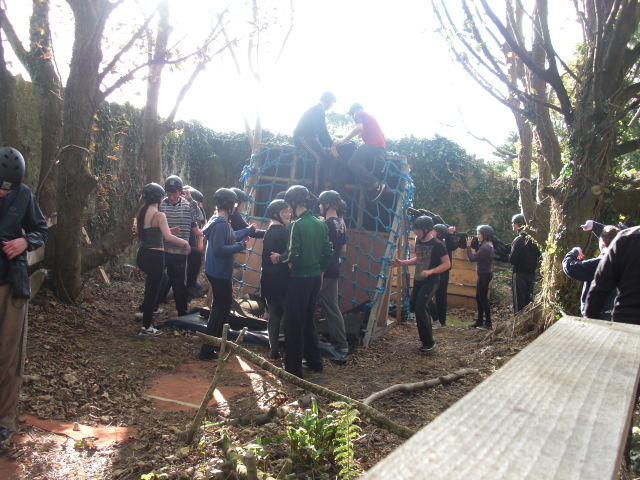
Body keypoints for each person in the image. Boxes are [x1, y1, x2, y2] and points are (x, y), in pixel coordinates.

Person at [0, 147, 48, 447]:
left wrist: (24, 241)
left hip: (12, 283)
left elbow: (40, 229)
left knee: (9, 352)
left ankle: (4, 419)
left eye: (8, 189)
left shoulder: (24, 194)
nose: (4, 193)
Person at [269, 185, 333, 378]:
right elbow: (328, 252)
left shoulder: (297, 225)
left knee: (293, 324)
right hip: (314, 279)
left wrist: (279, 258)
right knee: (308, 321)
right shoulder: (321, 224)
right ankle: (315, 362)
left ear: (293, 202)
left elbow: (293, 254)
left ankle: (293, 369)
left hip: (299, 279)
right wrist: (320, 272)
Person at [199, 188, 249, 360]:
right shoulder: (221, 224)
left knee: (223, 307)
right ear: (230, 205)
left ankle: (216, 344)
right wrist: (240, 246)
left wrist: (247, 232)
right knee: (219, 310)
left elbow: (231, 236)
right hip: (219, 272)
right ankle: (207, 349)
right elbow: (220, 249)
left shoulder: (219, 221)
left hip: (218, 271)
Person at [136, 183, 191, 337]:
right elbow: (168, 237)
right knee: (151, 293)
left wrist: (168, 229)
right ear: (159, 198)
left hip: (142, 255)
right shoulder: (159, 215)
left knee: (164, 278)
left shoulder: (143, 212)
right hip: (155, 258)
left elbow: (153, 230)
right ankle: (146, 327)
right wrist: (185, 243)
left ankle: (150, 313)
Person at [389, 216, 450, 351]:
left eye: (417, 229)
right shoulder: (418, 240)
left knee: (421, 307)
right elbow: (419, 258)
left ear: (426, 229)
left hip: (431, 281)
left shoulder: (438, 245)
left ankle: (429, 343)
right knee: (417, 307)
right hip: (418, 280)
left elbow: (447, 264)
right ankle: (426, 334)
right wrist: (402, 263)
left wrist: (431, 271)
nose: (415, 232)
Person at [159, 175, 203, 317]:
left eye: (174, 193)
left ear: (180, 192)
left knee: (179, 283)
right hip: (163, 249)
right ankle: (151, 307)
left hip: (180, 252)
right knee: (159, 280)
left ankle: (182, 313)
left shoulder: (187, 205)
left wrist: (190, 200)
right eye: (169, 193)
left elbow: (200, 217)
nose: (171, 197)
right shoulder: (162, 205)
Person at [317, 190, 349, 362]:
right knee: (332, 307)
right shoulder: (341, 223)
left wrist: (320, 276)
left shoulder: (327, 224)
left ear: (327, 204)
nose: (319, 206)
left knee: (316, 305)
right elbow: (343, 249)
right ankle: (341, 344)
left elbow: (324, 252)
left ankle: (339, 344)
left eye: (321, 203)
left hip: (324, 272)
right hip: (335, 268)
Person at [562, 224, 620, 319]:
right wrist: (595, 226)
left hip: (598, 316)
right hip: (616, 313)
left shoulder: (601, 262)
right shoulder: (624, 259)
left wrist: (573, 252)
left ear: (603, 244)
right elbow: (615, 235)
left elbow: (570, 267)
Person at [585, 225, 640, 324]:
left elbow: (600, 287)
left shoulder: (625, 238)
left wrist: (589, 324)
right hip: (626, 319)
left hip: (626, 319)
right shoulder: (624, 238)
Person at [332, 103, 387, 201]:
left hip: (373, 146)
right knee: (359, 162)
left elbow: (358, 128)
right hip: (378, 147)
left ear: (352, 113)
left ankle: (375, 184)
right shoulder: (367, 118)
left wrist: (342, 141)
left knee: (352, 163)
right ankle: (368, 184)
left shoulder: (358, 113)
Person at [260, 199, 292, 360]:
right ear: (276, 214)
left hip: (268, 279)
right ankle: (290, 351)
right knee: (288, 315)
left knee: (274, 315)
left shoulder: (268, 231)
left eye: (289, 211)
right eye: (285, 211)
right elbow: (289, 257)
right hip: (283, 280)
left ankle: (274, 350)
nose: (289, 214)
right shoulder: (284, 232)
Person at [294, 91, 337, 193]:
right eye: (332, 102)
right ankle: (315, 190)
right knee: (320, 158)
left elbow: (320, 133)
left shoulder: (319, 110)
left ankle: (319, 186)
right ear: (328, 100)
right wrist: (332, 144)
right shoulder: (317, 110)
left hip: (311, 138)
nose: (332, 106)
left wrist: (327, 146)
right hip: (302, 137)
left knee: (324, 156)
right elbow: (321, 130)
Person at [509, 213, 541, 313]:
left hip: (519, 274)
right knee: (528, 300)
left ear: (519, 225)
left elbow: (512, 260)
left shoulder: (518, 240)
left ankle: (518, 320)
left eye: (514, 223)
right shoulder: (534, 240)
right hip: (531, 275)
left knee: (519, 301)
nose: (512, 225)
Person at [429, 223, 458, 328]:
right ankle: (436, 320)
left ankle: (441, 321)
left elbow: (454, 245)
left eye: (434, 231)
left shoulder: (444, 243)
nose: (431, 232)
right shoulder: (435, 242)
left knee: (440, 295)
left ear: (439, 234)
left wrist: (452, 235)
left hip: (442, 272)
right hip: (437, 271)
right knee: (433, 295)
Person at [467, 225, 495, 329]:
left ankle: (488, 323)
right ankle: (480, 321)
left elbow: (472, 258)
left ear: (485, 236)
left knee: (483, 299)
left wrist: (468, 247)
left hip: (484, 275)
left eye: (479, 234)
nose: (478, 236)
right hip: (484, 274)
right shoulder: (489, 245)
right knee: (479, 298)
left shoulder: (485, 248)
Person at [183, 186, 206, 296]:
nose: (200, 206)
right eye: (198, 204)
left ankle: (190, 284)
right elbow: (197, 230)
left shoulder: (196, 210)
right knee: (195, 256)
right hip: (182, 241)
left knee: (194, 258)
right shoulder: (185, 210)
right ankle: (190, 284)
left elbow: (203, 221)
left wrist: (201, 239)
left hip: (191, 239)